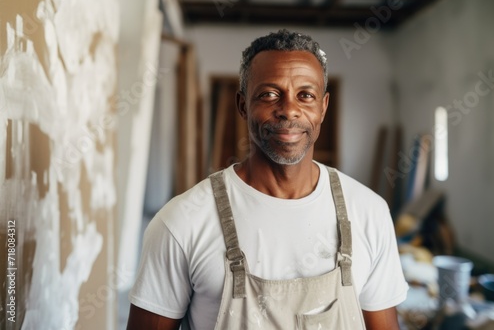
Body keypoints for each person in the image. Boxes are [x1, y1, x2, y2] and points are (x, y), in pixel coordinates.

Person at [127, 29, 408, 330]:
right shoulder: (181, 222)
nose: (288, 110)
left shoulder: (369, 213)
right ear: (243, 105)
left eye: (305, 95)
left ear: (323, 107)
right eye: (269, 94)